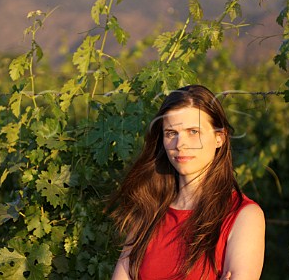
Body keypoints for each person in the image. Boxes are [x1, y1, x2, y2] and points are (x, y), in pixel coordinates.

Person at [109, 85, 265, 280]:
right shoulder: (149, 211)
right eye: (171, 133)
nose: (180, 144)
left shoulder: (243, 216)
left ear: (220, 138)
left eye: (193, 131)